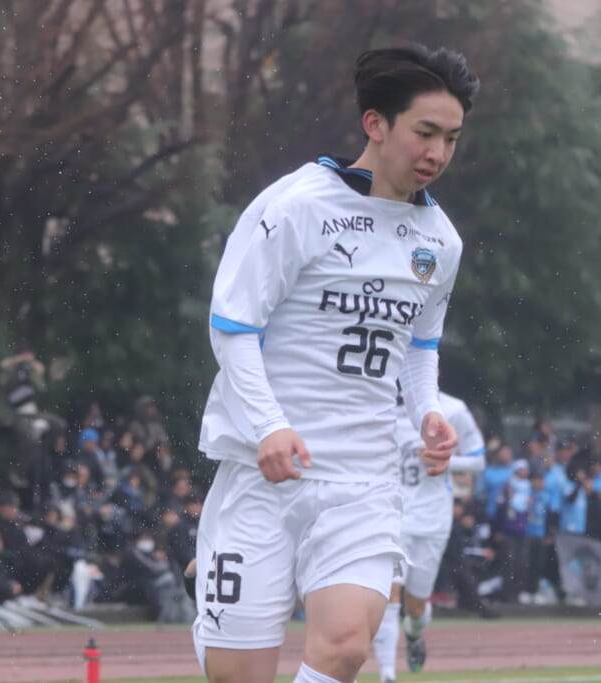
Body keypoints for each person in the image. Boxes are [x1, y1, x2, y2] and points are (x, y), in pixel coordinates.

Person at [191, 44, 479, 683]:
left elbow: (419, 346)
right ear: (375, 123)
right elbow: (233, 328)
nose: (437, 153)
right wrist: (269, 426)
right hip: (264, 472)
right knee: (237, 676)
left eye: (451, 139)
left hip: (364, 479)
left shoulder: (441, 241)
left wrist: (427, 412)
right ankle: (210, 570)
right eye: (424, 132)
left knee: (347, 646)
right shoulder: (297, 206)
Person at [370, 391, 486, 683]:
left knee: (416, 606)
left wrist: (443, 458)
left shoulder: (454, 409)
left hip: (433, 520)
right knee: (389, 593)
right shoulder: (380, 402)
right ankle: (387, 674)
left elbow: (478, 460)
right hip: (392, 514)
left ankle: (415, 634)